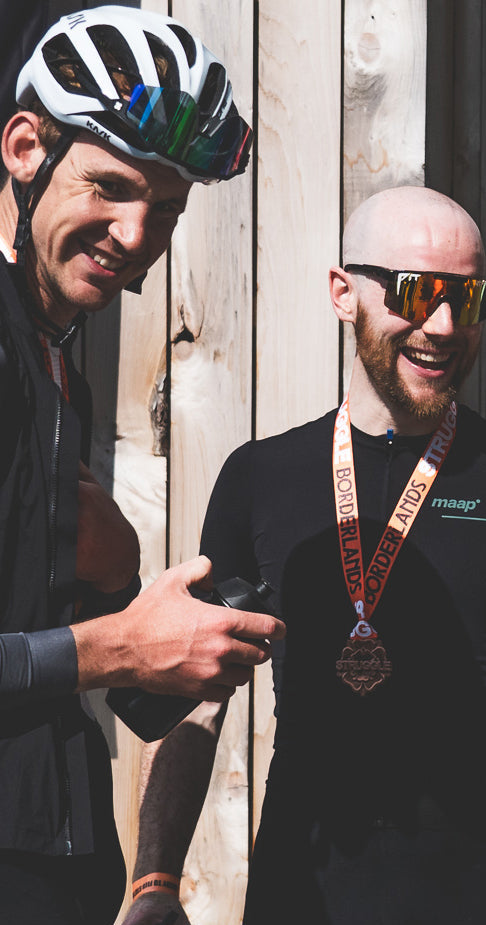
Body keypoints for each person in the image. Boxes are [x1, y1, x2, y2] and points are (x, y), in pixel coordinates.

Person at [122, 186, 486, 925]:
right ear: (343, 292)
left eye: (467, 300)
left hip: (474, 887)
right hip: (301, 885)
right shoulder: (260, 476)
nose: (442, 325)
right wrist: (153, 882)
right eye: (416, 293)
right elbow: (196, 699)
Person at [0, 8, 284, 924]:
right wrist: (124, 640)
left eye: (165, 209)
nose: (134, 234)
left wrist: (142, 610)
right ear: (22, 146)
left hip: (61, 862)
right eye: (108, 188)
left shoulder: (52, 361)